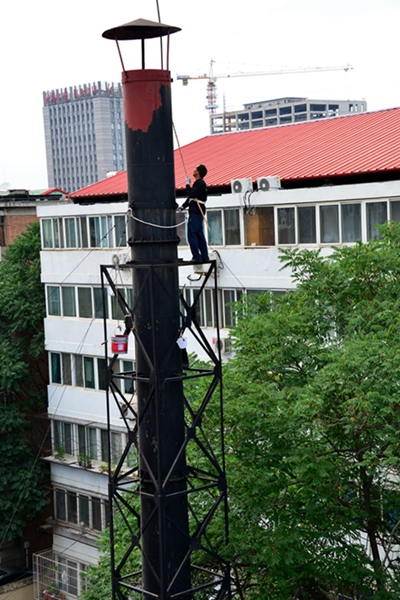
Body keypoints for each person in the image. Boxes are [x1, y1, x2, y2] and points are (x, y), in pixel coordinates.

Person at [181, 164, 209, 261]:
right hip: (198, 212)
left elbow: (191, 194)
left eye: (195, 169)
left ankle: (196, 256)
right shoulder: (198, 184)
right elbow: (191, 198)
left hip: (196, 212)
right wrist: (183, 206)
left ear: (198, 172)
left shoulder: (200, 183)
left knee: (192, 234)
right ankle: (204, 256)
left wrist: (187, 185)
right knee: (199, 234)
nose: (193, 170)